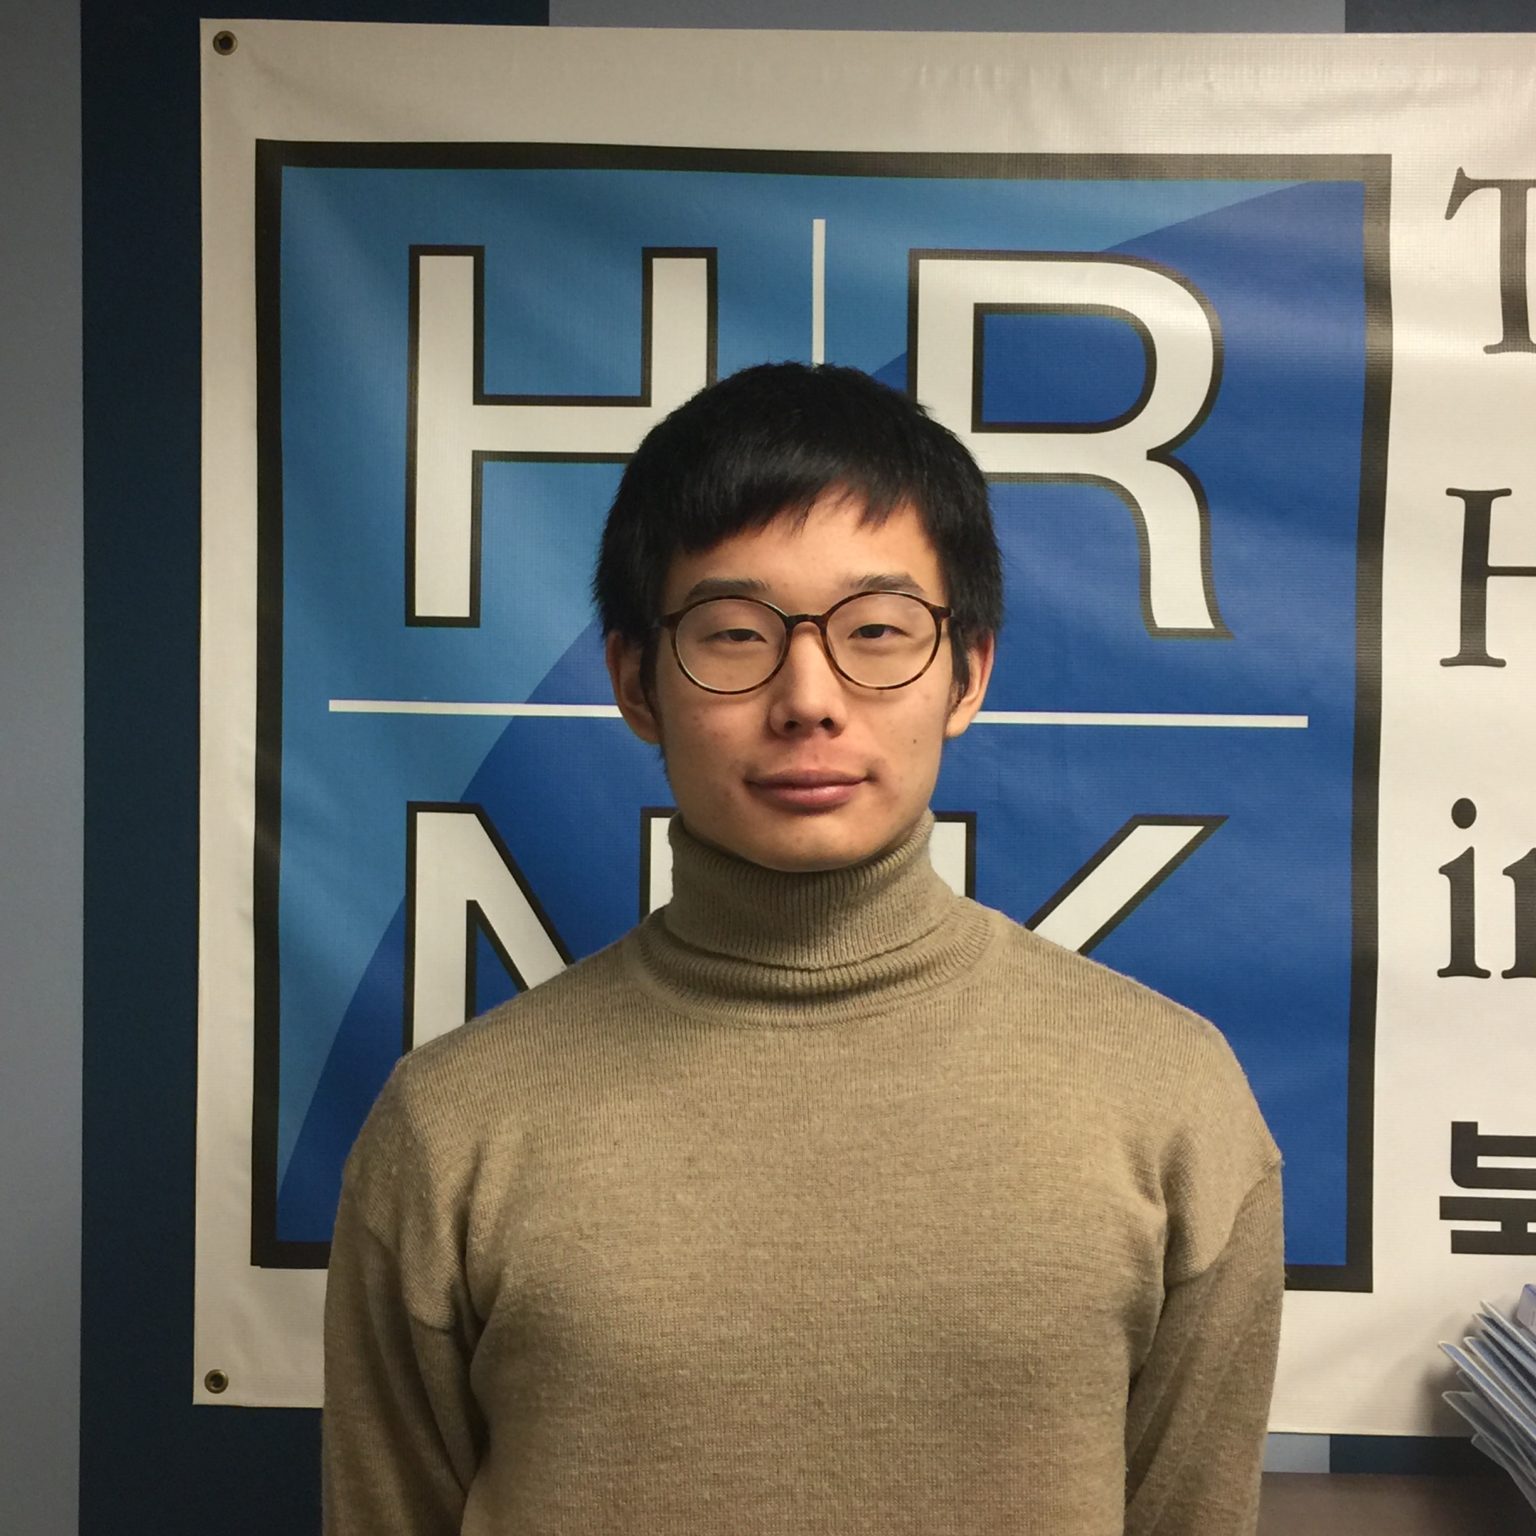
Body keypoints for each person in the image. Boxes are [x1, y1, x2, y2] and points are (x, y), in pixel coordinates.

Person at [322, 362, 1283, 1535]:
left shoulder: (1171, 1102)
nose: (809, 698)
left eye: (878, 631)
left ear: (968, 672)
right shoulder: (450, 1127)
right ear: (634, 682)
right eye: (735, 635)